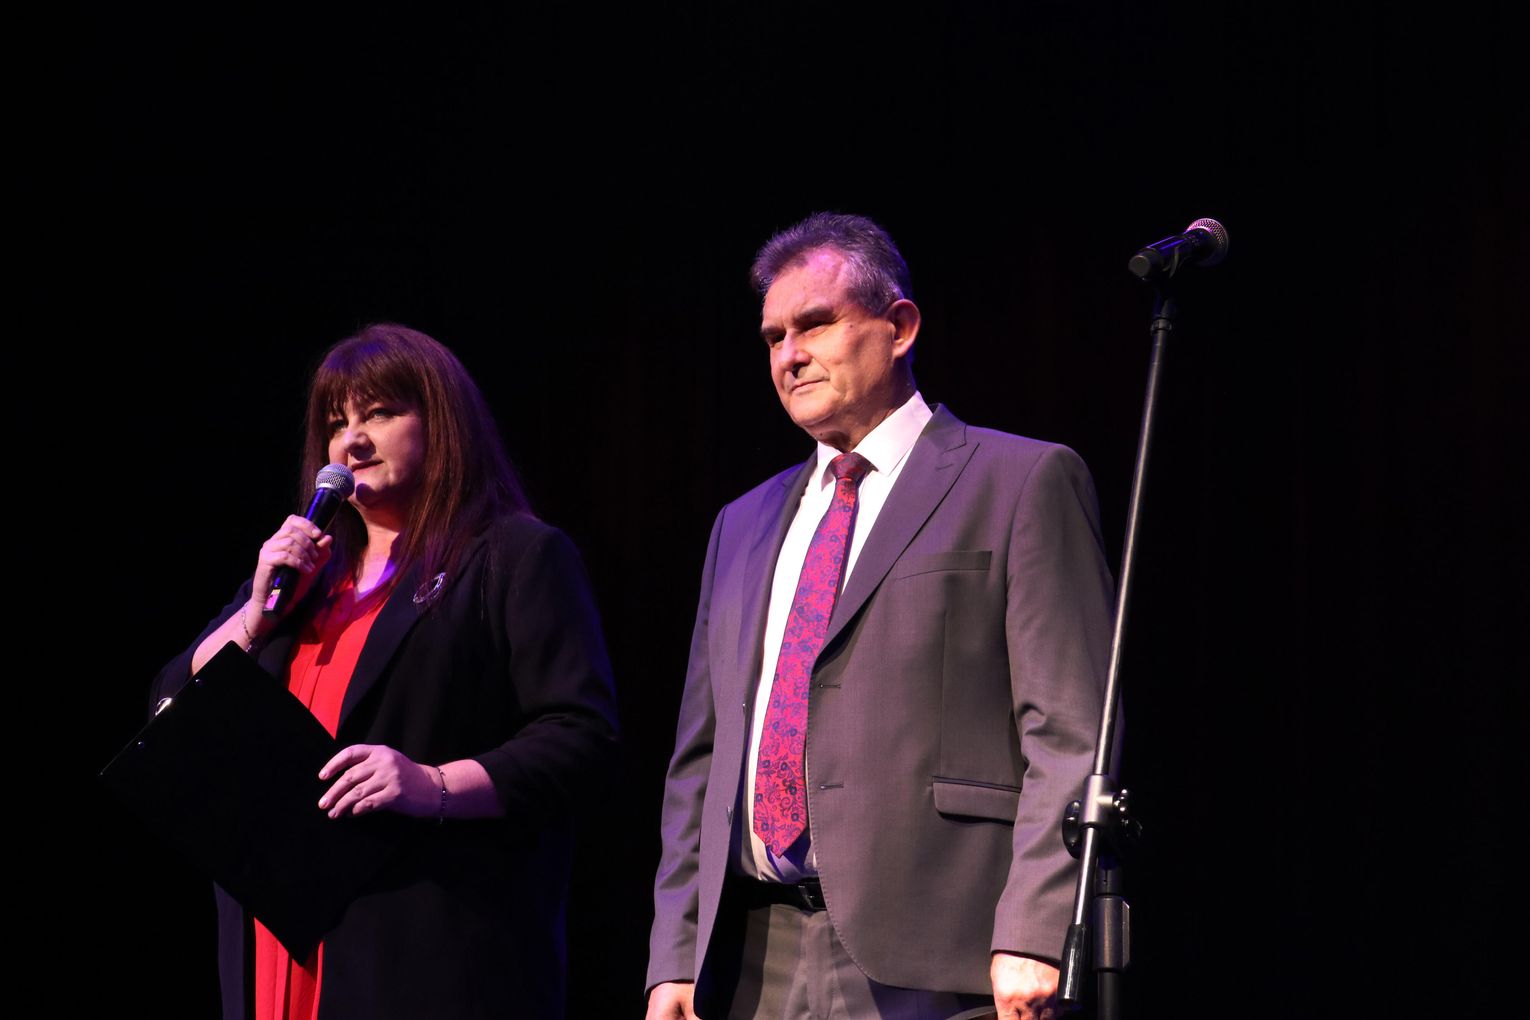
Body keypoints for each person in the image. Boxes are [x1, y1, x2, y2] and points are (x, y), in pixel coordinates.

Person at [645, 214, 1114, 1020]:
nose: (789, 355)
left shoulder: (1020, 482)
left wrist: (1038, 928)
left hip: (945, 951)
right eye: (773, 337)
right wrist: (676, 957)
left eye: (815, 324)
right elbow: (702, 758)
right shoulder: (741, 524)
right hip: (753, 958)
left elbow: (1071, 731)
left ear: (899, 327)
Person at [152, 323, 619, 1020]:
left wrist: (433, 784)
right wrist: (255, 616)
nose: (352, 441)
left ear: (441, 422)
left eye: (377, 414)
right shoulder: (304, 578)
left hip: (421, 942)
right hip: (274, 937)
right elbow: (170, 704)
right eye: (336, 424)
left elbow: (582, 738)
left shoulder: (513, 555)